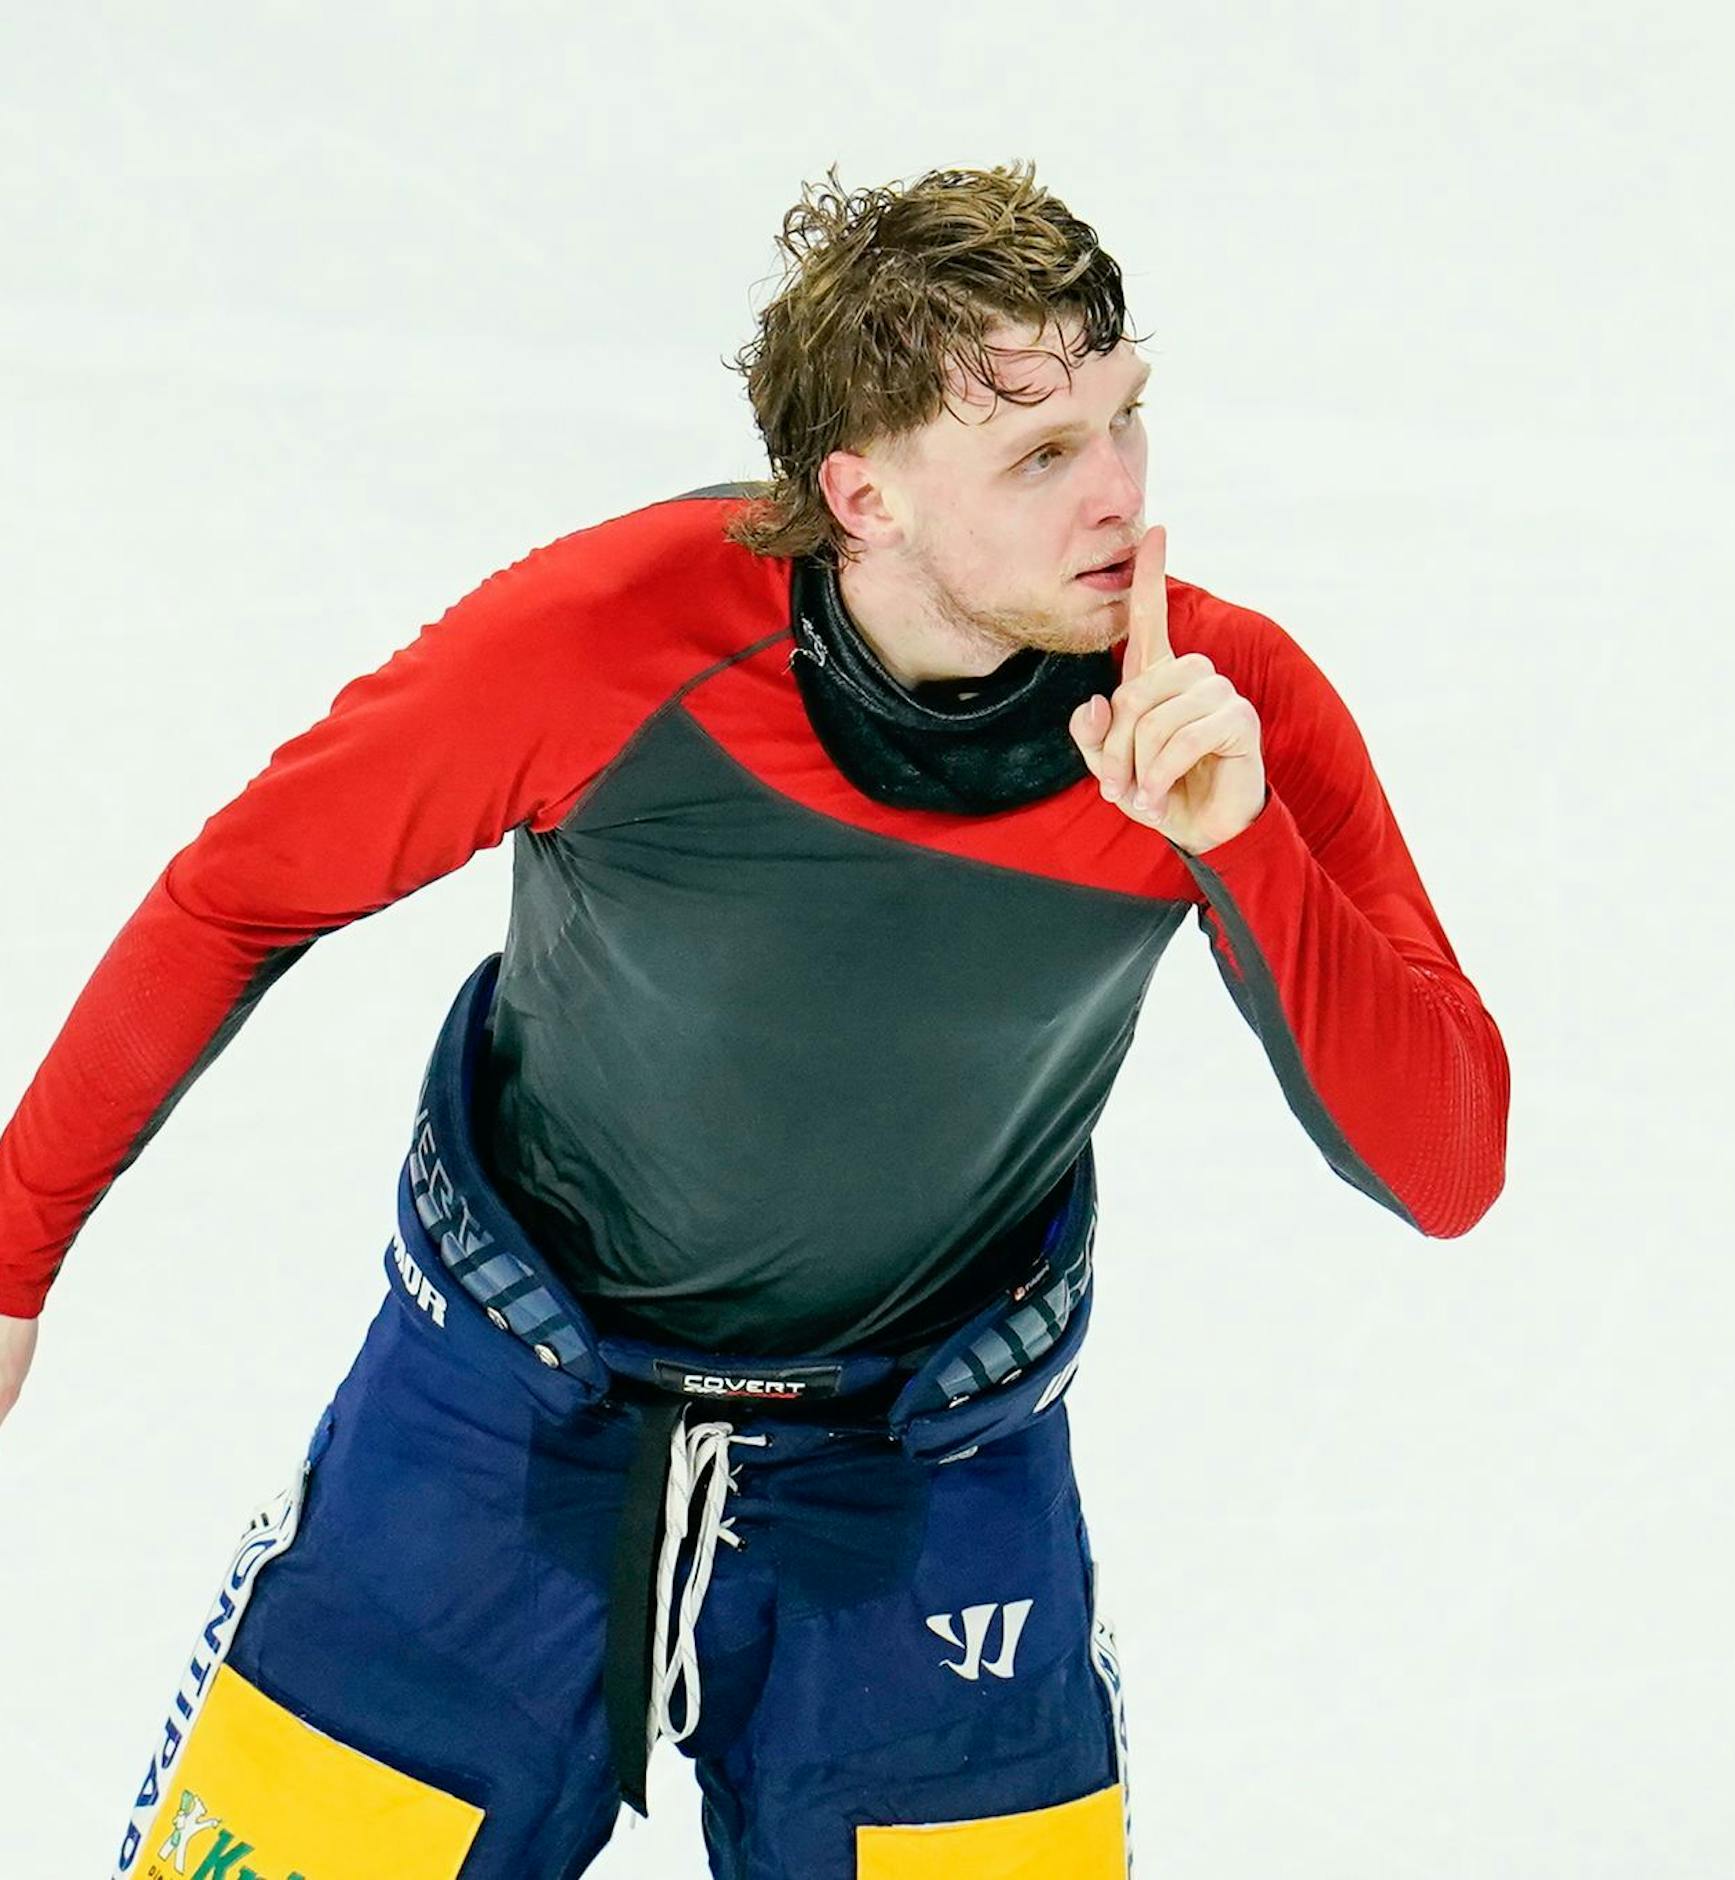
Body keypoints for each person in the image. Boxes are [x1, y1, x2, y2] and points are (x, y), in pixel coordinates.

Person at [0, 160, 1510, 1879]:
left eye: (1125, 419)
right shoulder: (603, 640)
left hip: (929, 1470)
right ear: (860, 494)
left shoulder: (1212, 716)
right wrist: (8, 1251)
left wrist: (1241, 847)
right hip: (504, 1410)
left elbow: (1450, 1159)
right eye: (1040, 456)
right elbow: (240, 894)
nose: (1124, 500)